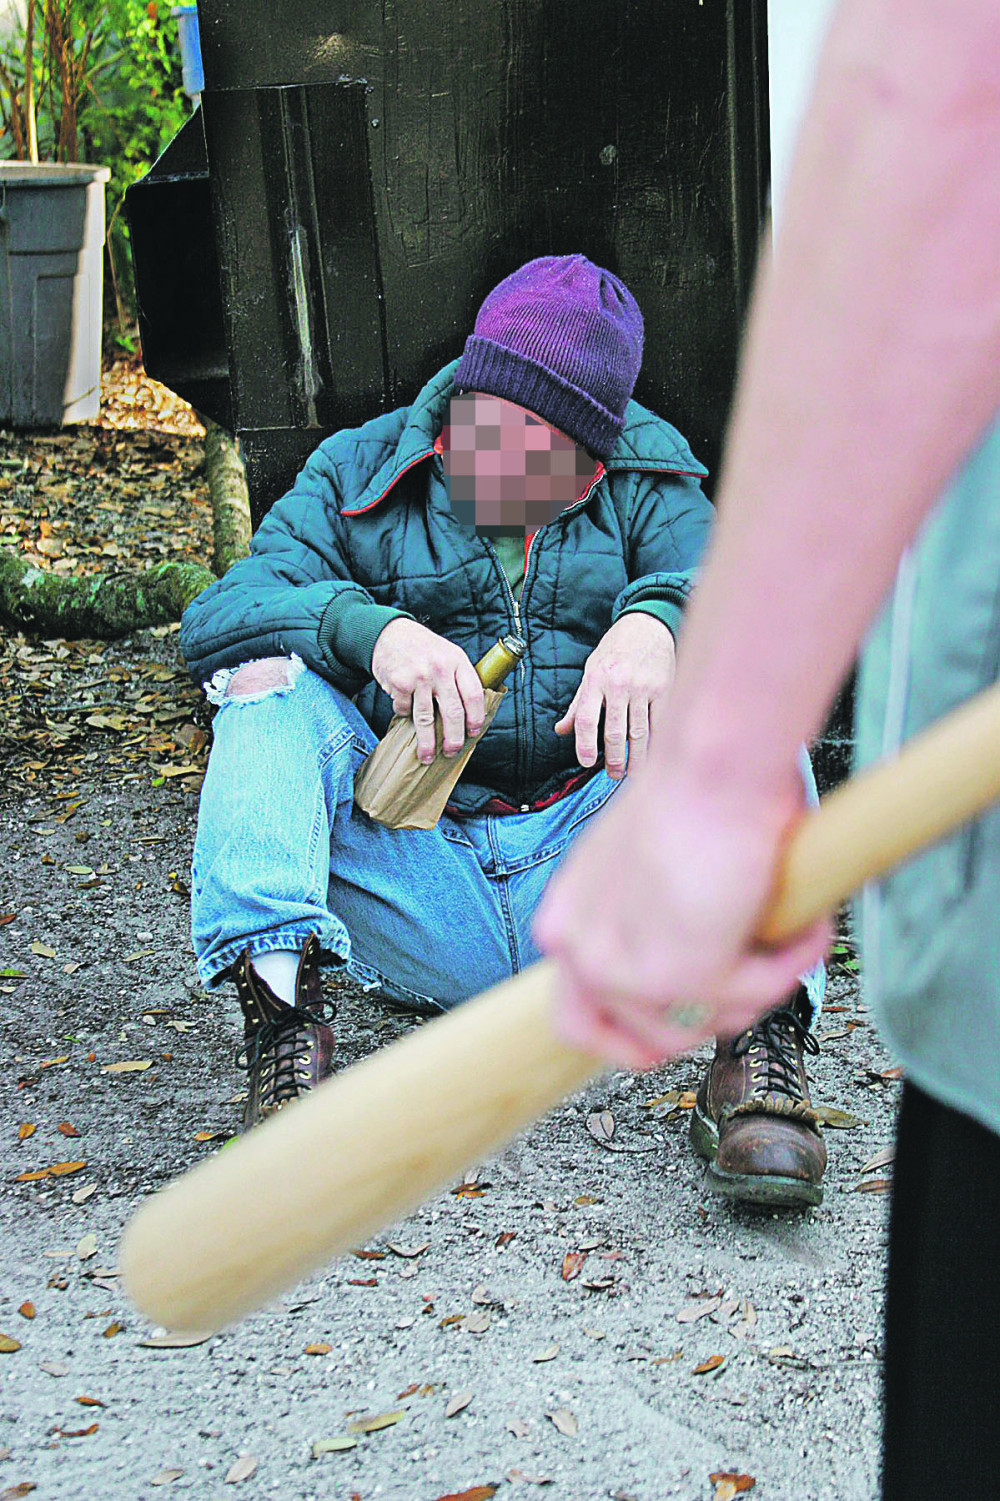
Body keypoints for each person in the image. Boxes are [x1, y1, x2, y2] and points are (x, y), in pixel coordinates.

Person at [534, 2, 1000, 1494]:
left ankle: (762, 1043)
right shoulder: (377, 472)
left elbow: (934, 114)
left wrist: (723, 751)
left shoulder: (650, 488)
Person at [179, 252, 828, 1203]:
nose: (501, 467)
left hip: (595, 876)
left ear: (593, 465)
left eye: (543, 454)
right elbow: (219, 617)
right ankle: (286, 1043)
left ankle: (758, 1053)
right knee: (265, 684)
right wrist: (373, 633)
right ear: (464, 395)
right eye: (488, 430)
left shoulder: (651, 475)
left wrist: (659, 624)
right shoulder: (358, 469)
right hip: (418, 876)